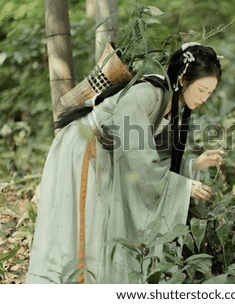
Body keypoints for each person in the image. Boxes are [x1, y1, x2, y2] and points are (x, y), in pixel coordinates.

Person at [26, 42, 224, 283]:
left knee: (100, 229)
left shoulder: (171, 108)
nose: (204, 98)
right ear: (183, 80)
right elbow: (138, 157)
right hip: (84, 146)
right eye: (202, 89)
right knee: (83, 228)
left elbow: (156, 159)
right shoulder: (149, 92)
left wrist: (193, 167)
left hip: (105, 154)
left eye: (210, 93)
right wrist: (183, 186)